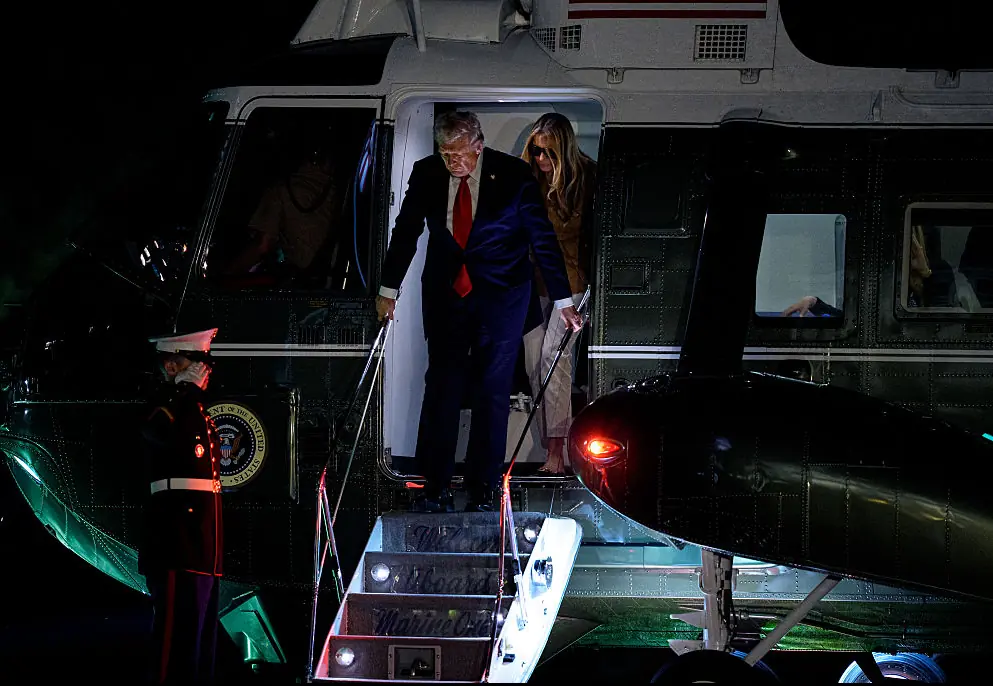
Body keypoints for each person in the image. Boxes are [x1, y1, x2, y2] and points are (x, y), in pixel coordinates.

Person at [376, 110, 582, 513]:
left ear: (478, 145)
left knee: (493, 391)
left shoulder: (514, 176)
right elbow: (405, 232)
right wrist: (388, 289)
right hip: (446, 297)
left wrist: (562, 300)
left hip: (502, 299)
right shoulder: (427, 173)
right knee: (442, 387)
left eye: (459, 154)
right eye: (445, 153)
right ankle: (434, 486)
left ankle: (484, 485)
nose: (453, 162)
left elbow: (542, 239)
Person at [139, 328, 224, 684]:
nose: (203, 371)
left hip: (202, 548)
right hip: (177, 544)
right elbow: (157, 432)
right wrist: (183, 391)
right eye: (195, 362)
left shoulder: (196, 409)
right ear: (172, 363)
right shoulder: (165, 406)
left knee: (199, 649)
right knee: (174, 650)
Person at [520, 113, 597, 476]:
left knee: (555, 357)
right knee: (535, 363)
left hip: (574, 281)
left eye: (547, 152)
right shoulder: (529, 179)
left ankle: (556, 451)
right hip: (537, 281)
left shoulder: (587, 177)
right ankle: (550, 448)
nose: (540, 159)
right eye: (536, 151)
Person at [223, 146, 339, 282]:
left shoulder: (280, 191)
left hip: (302, 284)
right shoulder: (337, 187)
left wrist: (224, 277)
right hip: (332, 281)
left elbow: (262, 245)